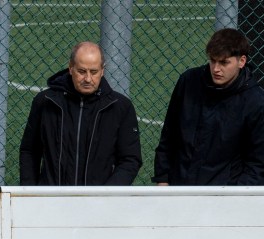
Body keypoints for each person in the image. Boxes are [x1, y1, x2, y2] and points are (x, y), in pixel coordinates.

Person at [19, 42, 141, 185]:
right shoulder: (45, 101)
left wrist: (106, 196)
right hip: (51, 200)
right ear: (71, 68)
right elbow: (29, 151)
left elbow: (130, 160)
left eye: (94, 72)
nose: (88, 79)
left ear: (102, 70)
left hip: (99, 203)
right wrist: (32, 193)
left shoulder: (120, 107)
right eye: (82, 71)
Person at [154, 28, 264, 185]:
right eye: (213, 60)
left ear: (242, 61)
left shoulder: (256, 102)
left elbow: (258, 162)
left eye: (224, 62)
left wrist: (235, 197)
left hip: (224, 196)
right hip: (179, 187)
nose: (216, 69)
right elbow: (169, 135)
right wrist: (162, 178)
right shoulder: (189, 81)